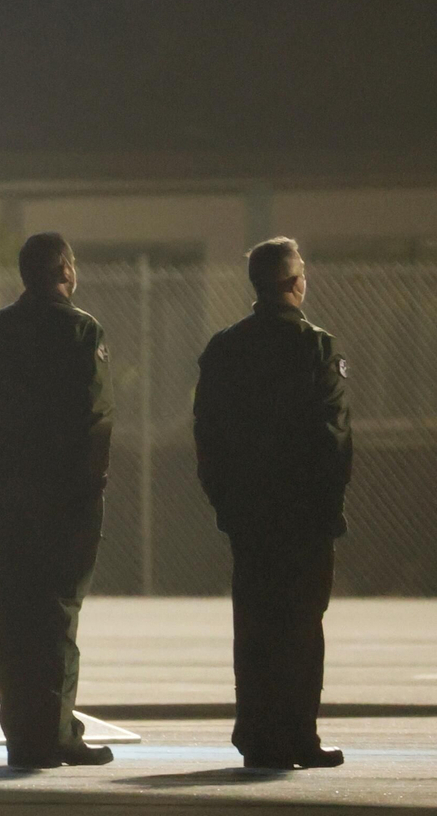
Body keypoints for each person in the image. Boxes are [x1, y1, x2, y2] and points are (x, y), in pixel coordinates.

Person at [0, 232, 114, 770]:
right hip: (63, 501)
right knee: (57, 613)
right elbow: (94, 419)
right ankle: (55, 733)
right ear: (65, 269)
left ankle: (22, 731)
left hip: (9, 502)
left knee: (14, 612)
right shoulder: (81, 331)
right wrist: (89, 491)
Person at [194, 237, 351, 770]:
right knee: (303, 625)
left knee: (256, 623)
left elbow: (208, 434)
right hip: (304, 516)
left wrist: (227, 503)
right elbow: (333, 439)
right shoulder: (316, 348)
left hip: (251, 516)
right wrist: (329, 506)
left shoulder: (225, 347)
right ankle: (299, 733)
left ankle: (259, 734)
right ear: (293, 283)